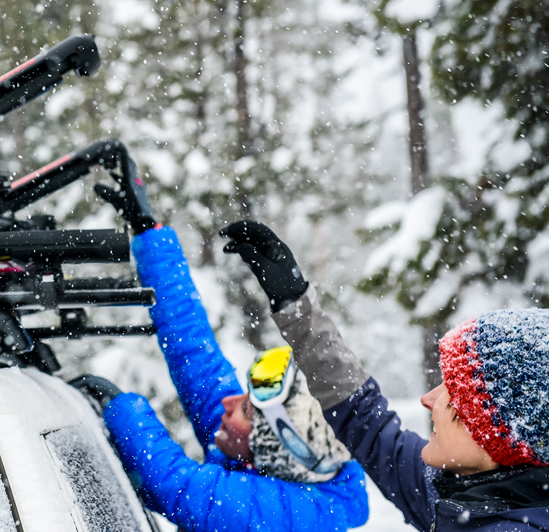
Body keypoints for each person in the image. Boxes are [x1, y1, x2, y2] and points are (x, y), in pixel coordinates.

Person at [71, 152, 369, 532]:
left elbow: (176, 486)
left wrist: (119, 404)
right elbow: (194, 353)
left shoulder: (291, 517)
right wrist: (149, 231)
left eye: (245, 408)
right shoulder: (262, 454)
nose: (228, 403)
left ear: (273, 451)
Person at [220, 220, 549, 531]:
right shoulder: (462, 491)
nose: (428, 399)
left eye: (454, 396)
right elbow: (365, 419)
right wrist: (295, 305)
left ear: (498, 440)